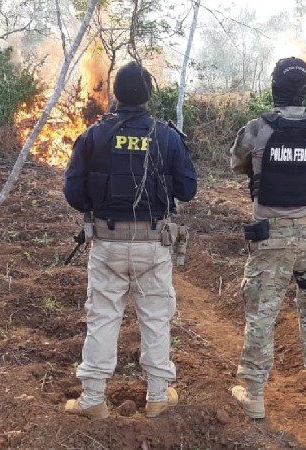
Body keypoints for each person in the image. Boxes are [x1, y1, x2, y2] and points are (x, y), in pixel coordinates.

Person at [62, 61, 198, 419]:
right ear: (148, 96)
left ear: (115, 95)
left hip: (106, 244)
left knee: (103, 318)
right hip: (153, 245)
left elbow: (74, 193)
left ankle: (92, 399)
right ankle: (157, 396)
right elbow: (188, 189)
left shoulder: (93, 135)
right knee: (155, 319)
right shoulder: (166, 136)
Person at [229, 57, 306, 419]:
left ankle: (255, 395)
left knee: (262, 315)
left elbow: (237, 164)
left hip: (271, 239)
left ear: (273, 88)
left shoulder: (257, 129)